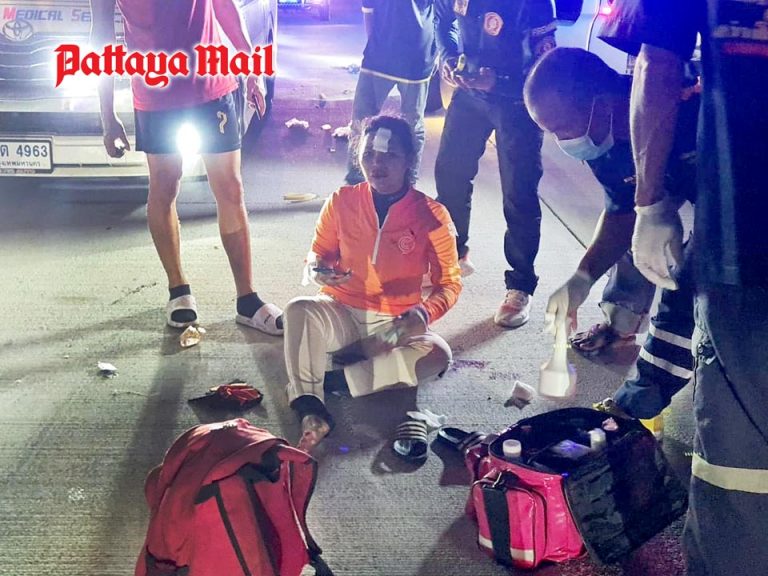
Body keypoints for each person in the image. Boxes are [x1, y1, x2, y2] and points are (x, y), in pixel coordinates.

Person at [601, 0, 768, 574]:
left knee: (741, 470)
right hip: (737, 243)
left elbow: (657, 59)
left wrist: (650, 204)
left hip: (748, 242)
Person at [523, 47, 697, 424]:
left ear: (603, 104)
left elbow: (725, 232)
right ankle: (622, 321)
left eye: (562, 129)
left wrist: (656, 210)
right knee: (643, 232)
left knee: (697, 277)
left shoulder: (692, 111)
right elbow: (622, 212)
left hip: (742, 182)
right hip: (677, 176)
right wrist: (581, 278)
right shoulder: (602, 140)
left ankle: (643, 397)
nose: (562, 142)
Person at [91, 0, 284, 335]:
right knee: (164, 187)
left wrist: (251, 68)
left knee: (230, 188)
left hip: (213, 85)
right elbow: (101, 36)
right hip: (155, 95)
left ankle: (248, 299)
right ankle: (178, 290)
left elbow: (224, 6)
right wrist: (107, 116)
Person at [283, 115, 462, 458]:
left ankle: (336, 381)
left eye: (389, 156)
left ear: (409, 160)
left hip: (393, 328)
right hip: (340, 311)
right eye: (369, 155)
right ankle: (311, 408)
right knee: (299, 310)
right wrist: (318, 269)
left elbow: (450, 283)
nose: (377, 165)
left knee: (438, 354)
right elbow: (319, 253)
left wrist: (425, 313)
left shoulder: (432, 215)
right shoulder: (342, 200)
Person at [433, 0, 556, 328]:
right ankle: (453, 255)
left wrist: (498, 82)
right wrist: (447, 58)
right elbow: (441, 21)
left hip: (517, 102)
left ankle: (520, 285)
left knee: (519, 192)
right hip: (469, 97)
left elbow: (547, 65)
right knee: (450, 175)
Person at [344, 0, 438, 185]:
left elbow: (368, 12)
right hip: (414, 57)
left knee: (363, 120)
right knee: (411, 125)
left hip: (397, 57)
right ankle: (405, 182)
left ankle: (358, 181)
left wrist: (375, 44)